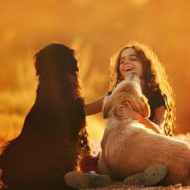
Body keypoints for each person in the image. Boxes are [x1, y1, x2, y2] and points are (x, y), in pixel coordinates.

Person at [65, 42, 176, 188]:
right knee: (91, 162)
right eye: (122, 61)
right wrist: (62, 103)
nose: (126, 62)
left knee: (162, 165)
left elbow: (160, 132)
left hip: (144, 151)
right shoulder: (115, 95)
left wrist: (138, 117)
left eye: (133, 58)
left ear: (145, 65)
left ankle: (140, 177)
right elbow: (84, 111)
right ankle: (96, 177)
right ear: (120, 70)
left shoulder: (157, 97)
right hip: (118, 154)